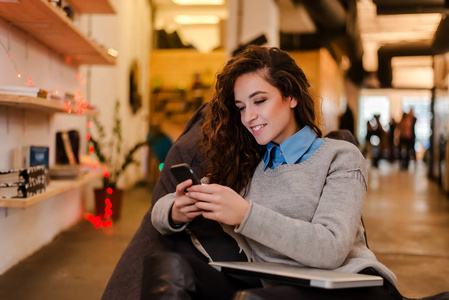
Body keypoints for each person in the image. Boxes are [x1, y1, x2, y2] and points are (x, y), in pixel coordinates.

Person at [144, 46, 401, 300]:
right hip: (277, 283)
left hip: (350, 285)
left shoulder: (339, 156)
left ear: (291, 97)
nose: (248, 117)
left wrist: (245, 214)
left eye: (259, 101)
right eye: (241, 107)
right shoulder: (245, 165)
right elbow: (161, 210)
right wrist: (176, 211)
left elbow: (331, 248)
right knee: (168, 268)